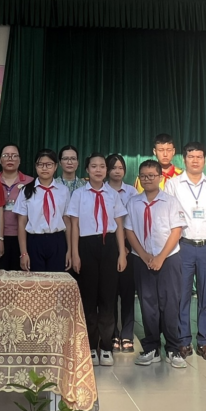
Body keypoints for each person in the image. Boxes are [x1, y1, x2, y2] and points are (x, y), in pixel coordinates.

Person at [65, 153, 128, 367]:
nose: (98, 170)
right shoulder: (78, 194)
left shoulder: (113, 195)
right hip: (86, 245)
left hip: (109, 245)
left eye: (102, 166)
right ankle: (91, 345)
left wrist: (121, 253)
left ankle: (107, 346)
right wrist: (75, 253)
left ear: (106, 170)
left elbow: (119, 225)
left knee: (108, 298)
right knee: (89, 298)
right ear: (87, 170)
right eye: (94, 166)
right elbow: (74, 226)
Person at [125, 159, 187, 369]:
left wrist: (160, 257)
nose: (147, 179)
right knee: (147, 304)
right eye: (143, 176)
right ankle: (151, 347)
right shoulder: (133, 202)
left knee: (170, 303)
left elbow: (176, 230)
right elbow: (129, 230)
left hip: (168, 259)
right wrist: (144, 255)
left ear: (160, 178)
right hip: (142, 259)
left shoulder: (170, 201)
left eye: (152, 175)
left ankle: (173, 348)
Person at [166, 142, 206, 362]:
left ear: (204, 160)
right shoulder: (173, 185)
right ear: (184, 159)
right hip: (183, 246)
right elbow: (168, 215)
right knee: (181, 296)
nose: (195, 160)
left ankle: (204, 342)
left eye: (199, 157)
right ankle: (183, 340)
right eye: (191, 157)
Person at [14, 149, 69, 272]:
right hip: (35, 241)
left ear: (56, 166)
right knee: (36, 281)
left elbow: (67, 221)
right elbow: (21, 223)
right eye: (40, 164)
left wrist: (69, 250)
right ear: (35, 166)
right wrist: (23, 253)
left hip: (57, 241)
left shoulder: (63, 191)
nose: (44, 168)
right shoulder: (26, 191)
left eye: (49, 164)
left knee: (56, 280)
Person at [106, 154, 138, 353]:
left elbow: (134, 219)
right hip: (109, 243)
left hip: (129, 243)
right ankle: (112, 333)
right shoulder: (102, 190)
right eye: (113, 168)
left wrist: (126, 246)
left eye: (120, 168)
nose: (117, 171)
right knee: (109, 292)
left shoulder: (132, 192)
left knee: (127, 292)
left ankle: (127, 333)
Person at [0, 143, 32, 273]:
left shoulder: (30, 182)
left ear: (20, 160)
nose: (10, 159)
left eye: (14, 156)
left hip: (23, 238)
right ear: (0, 160)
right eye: (6, 155)